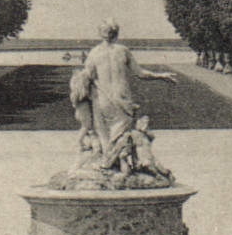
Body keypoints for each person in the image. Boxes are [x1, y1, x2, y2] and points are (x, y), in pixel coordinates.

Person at [70, 20, 177, 160]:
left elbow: (86, 77)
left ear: (100, 34)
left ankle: (107, 162)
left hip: (103, 98)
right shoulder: (123, 50)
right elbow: (140, 73)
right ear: (117, 33)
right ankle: (116, 163)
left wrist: (77, 93)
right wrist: (160, 76)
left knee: (104, 135)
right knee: (121, 135)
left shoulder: (94, 53)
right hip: (123, 97)